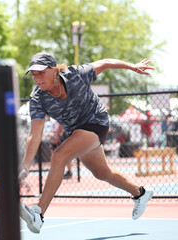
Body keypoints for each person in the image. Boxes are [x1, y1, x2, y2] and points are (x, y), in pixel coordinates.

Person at [18, 52, 155, 234]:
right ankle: (140, 193)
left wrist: (133, 66)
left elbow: (106, 62)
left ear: (53, 70)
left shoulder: (76, 74)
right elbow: (35, 134)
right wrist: (25, 166)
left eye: (40, 73)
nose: (37, 78)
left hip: (97, 122)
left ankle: (38, 213)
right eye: (33, 74)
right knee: (102, 173)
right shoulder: (37, 98)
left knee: (58, 156)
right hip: (77, 132)